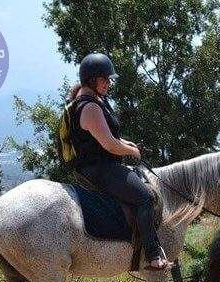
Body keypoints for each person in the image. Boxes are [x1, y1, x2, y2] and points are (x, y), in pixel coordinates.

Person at [67, 52, 170, 270]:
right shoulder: (91, 108)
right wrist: (133, 153)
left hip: (93, 166)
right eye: (105, 79)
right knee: (145, 197)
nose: (109, 83)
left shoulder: (87, 102)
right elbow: (110, 145)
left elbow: (106, 137)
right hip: (100, 169)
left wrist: (128, 143)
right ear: (92, 80)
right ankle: (152, 254)